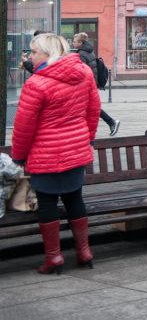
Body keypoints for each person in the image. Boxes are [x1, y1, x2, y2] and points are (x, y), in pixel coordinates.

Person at [11, 33, 101, 274]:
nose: (30, 57)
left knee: (48, 203)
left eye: (34, 52)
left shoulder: (36, 83)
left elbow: (23, 126)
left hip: (45, 155)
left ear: (47, 53)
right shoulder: (84, 74)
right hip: (76, 151)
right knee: (74, 198)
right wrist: (87, 138)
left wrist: (18, 157)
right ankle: (84, 252)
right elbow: (94, 111)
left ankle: (54, 258)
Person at [71, 32, 120, 136]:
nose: (72, 43)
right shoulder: (89, 51)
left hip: (86, 85)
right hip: (91, 83)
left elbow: (81, 72)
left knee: (91, 107)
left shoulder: (81, 54)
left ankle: (111, 122)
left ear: (80, 42)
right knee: (89, 108)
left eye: (74, 41)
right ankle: (108, 123)